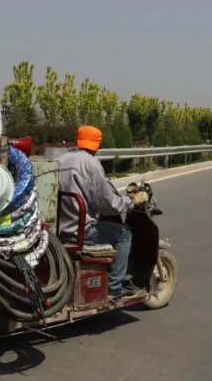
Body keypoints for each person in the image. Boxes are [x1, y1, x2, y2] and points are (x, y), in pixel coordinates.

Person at [57, 125, 149, 299]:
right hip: (82, 232)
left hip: (59, 232)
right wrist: (132, 200)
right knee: (124, 234)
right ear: (97, 145)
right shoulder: (91, 164)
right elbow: (108, 203)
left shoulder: (61, 160)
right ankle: (115, 288)